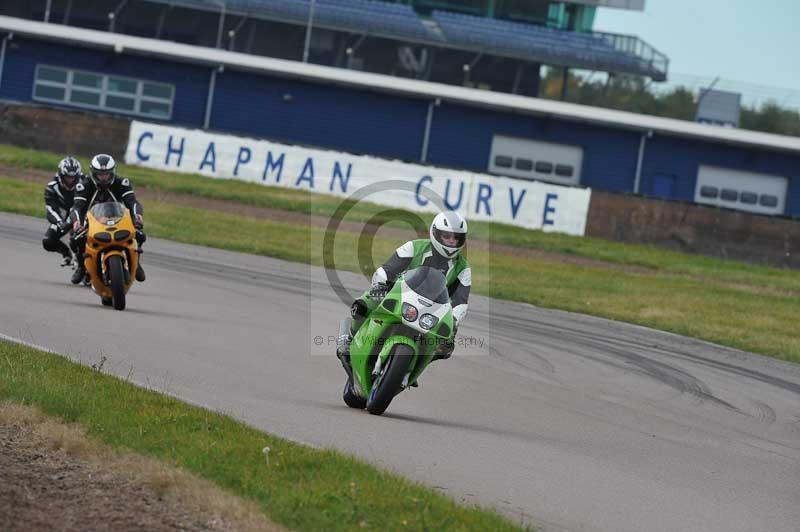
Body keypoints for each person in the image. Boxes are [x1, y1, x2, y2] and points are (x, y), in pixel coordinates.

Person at [336, 210, 471, 374]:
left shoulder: (463, 269)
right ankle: (349, 337)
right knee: (363, 304)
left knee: (445, 347)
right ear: (435, 233)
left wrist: (454, 320)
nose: (451, 241)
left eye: (456, 238)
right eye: (446, 236)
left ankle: (412, 368)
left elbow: (461, 301)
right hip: (398, 296)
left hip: (432, 312)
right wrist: (380, 285)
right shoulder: (414, 247)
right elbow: (386, 270)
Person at [69, 154, 146, 285]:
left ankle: (136, 262)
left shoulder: (122, 183)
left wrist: (137, 217)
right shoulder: (84, 186)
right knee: (75, 239)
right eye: (100, 174)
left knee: (140, 234)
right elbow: (77, 208)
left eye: (107, 174)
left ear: (113, 172)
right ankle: (82, 267)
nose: (104, 178)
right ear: (93, 173)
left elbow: (132, 202)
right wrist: (77, 224)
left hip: (118, 218)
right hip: (93, 221)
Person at [42, 156, 84, 267]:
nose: (70, 180)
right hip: (64, 218)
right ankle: (66, 253)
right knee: (48, 241)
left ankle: (82, 261)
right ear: (61, 175)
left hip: (83, 216)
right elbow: (51, 209)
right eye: (67, 177)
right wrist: (61, 223)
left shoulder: (86, 182)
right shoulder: (52, 187)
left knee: (81, 237)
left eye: (73, 177)